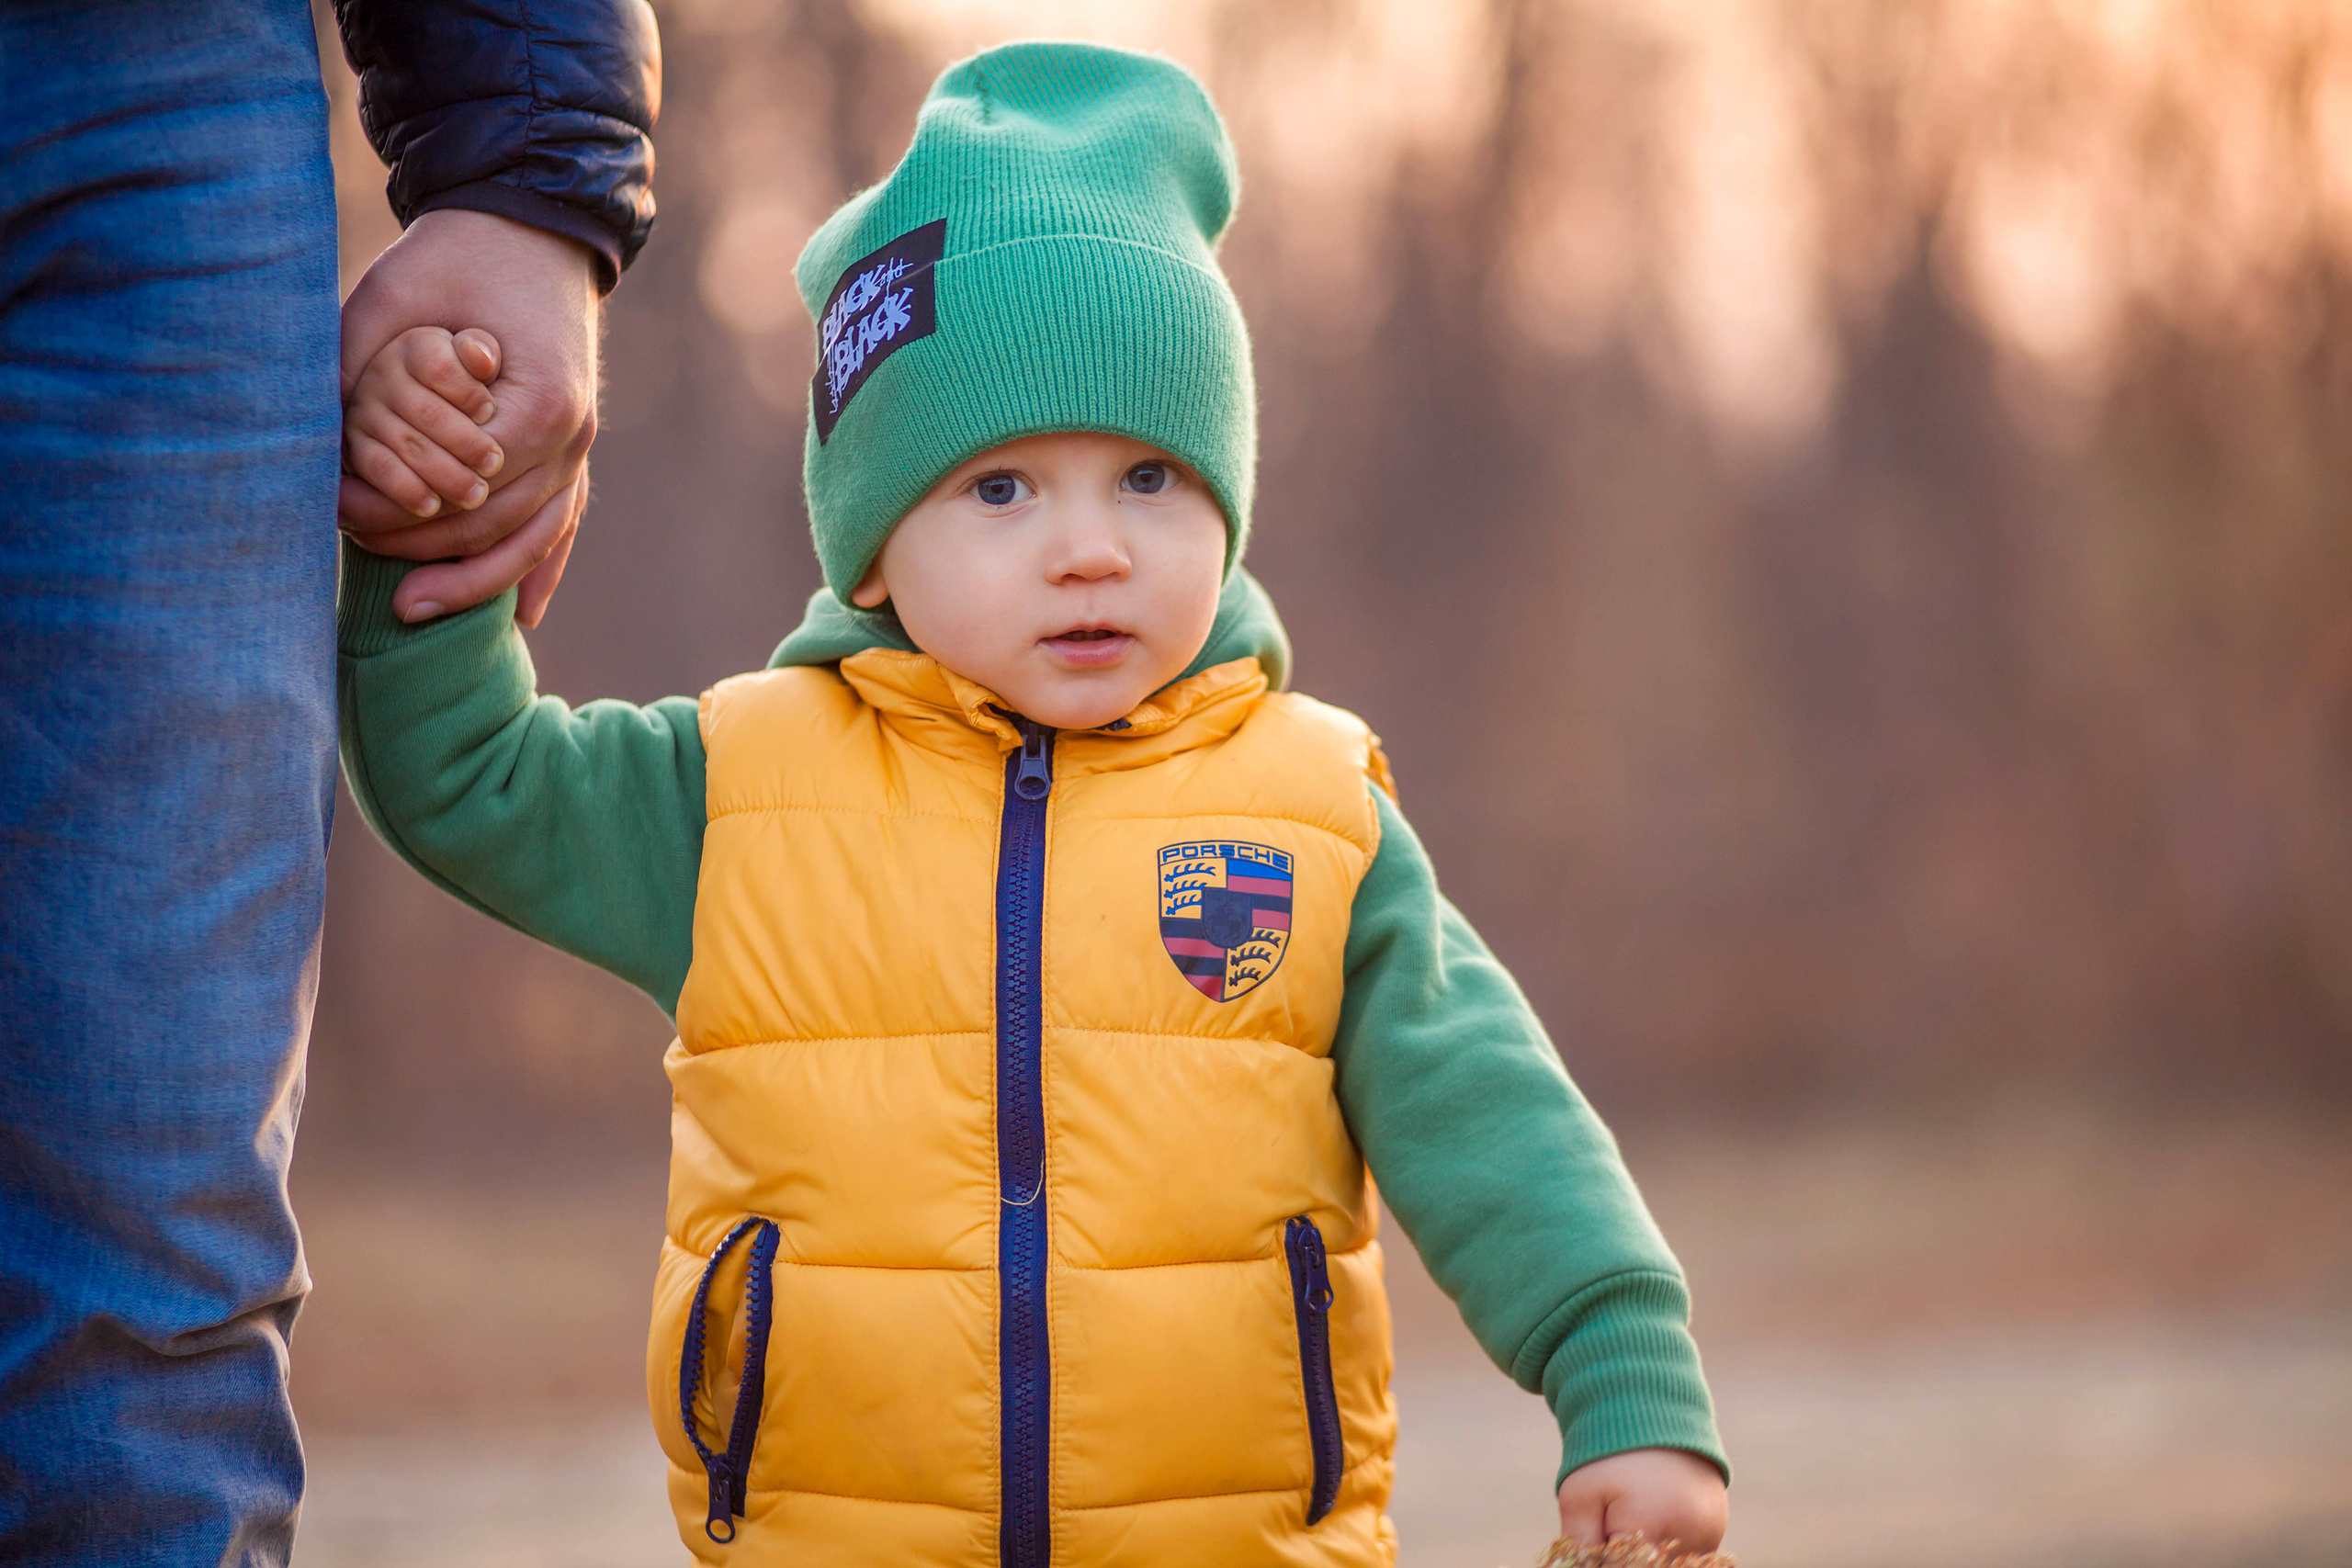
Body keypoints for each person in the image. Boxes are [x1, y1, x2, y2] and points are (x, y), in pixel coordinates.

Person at [334, 41, 1729, 1565]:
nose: (1089, 549)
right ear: (872, 547)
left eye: (1150, 479)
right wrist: (437, 509)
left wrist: (1627, 1386)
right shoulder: (739, 797)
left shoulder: (1310, 814)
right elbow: (466, 779)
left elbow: (1496, 1119)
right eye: (1001, 490)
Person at [0, 1, 655, 1561]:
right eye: (1002, 490)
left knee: (150, 1291)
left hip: (151, 104)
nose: (1088, 554)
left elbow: (468, 777)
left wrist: (531, 177)